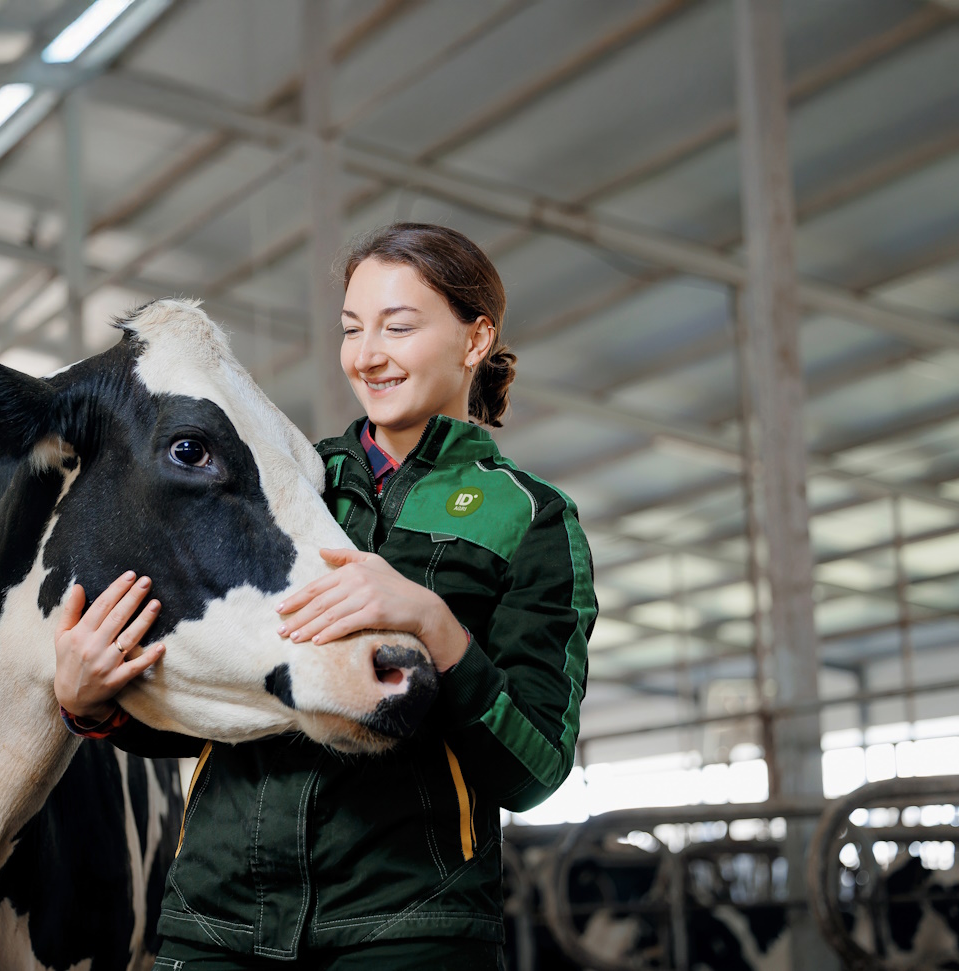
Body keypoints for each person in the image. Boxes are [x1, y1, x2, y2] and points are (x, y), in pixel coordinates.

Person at [54, 223, 595, 970]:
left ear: (475, 340)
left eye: (398, 326)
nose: (366, 355)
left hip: (405, 933)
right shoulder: (276, 477)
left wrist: (433, 622)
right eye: (351, 329)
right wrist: (95, 706)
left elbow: (533, 771)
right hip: (215, 923)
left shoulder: (529, 518)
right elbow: (211, 711)